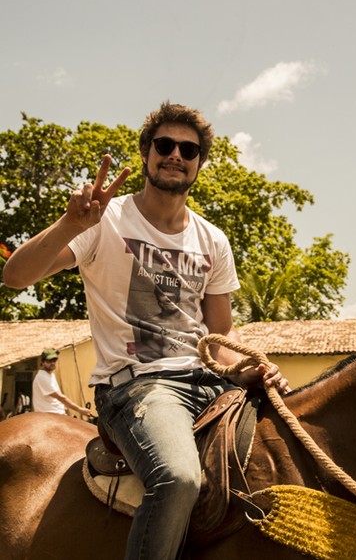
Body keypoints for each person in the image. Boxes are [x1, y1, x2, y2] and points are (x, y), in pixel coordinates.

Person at [3, 101, 290, 560]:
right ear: (146, 153)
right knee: (178, 478)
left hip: (211, 385)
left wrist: (249, 368)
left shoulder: (212, 239)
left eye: (188, 149)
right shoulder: (105, 221)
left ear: (199, 163)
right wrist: (69, 223)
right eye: (164, 144)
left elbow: (221, 336)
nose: (176, 154)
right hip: (137, 387)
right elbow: (15, 276)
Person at [32, 347, 95, 417]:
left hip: (56, 411)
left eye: (54, 360)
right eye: (49, 361)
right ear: (43, 362)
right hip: (52, 413)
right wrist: (79, 409)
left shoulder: (50, 375)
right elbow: (60, 397)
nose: (52, 363)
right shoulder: (43, 377)